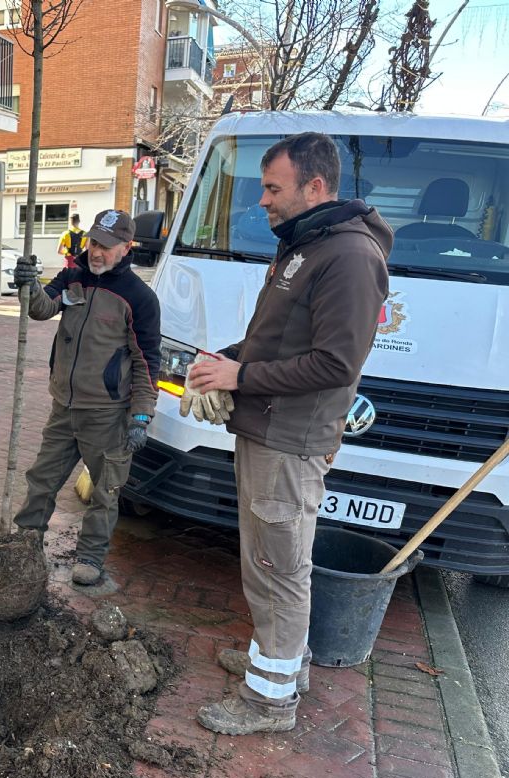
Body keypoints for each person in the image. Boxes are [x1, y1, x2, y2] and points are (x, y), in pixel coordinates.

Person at [186, 132, 391, 736]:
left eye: (274, 188)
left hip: (290, 438)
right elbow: (275, 340)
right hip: (270, 427)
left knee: (278, 567)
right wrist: (220, 363)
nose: (263, 201)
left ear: (316, 187)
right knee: (269, 559)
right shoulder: (307, 246)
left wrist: (241, 374)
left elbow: (336, 363)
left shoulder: (348, 258)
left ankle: (269, 703)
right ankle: (277, 662)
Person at [11, 210, 161, 586]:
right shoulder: (73, 276)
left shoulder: (139, 298)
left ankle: (90, 558)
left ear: (126, 248)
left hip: (108, 415)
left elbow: (147, 363)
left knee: (105, 491)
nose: (97, 252)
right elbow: (42, 309)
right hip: (64, 407)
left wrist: (141, 416)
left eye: (107, 246)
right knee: (41, 480)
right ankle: (27, 546)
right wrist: (28, 285)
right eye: (94, 242)